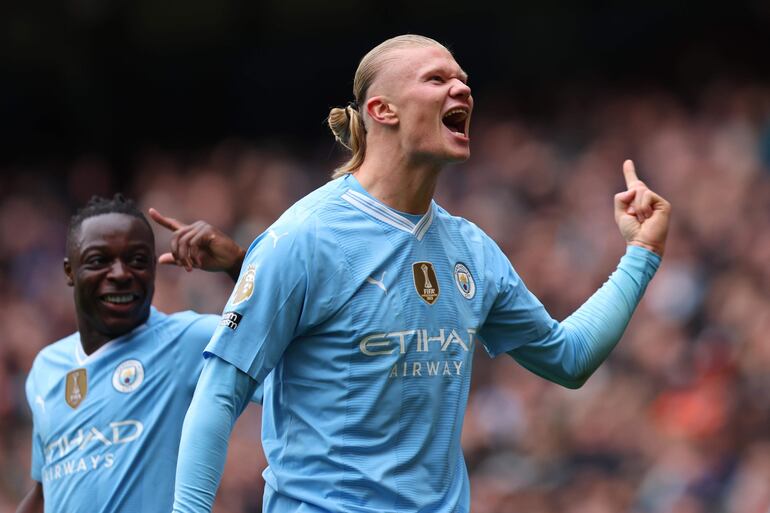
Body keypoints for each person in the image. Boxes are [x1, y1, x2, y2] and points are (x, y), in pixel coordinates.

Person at [171, 34, 671, 513]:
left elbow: (568, 358)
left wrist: (641, 253)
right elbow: (218, 394)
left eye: (463, 80)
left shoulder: (472, 250)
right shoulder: (302, 238)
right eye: (436, 79)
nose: (462, 89)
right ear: (381, 110)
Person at [17, 194, 253, 513]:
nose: (120, 273)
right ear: (70, 272)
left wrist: (238, 263)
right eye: (99, 260)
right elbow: (46, 493)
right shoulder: (45, 368)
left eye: (137, 260)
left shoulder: (188, 339)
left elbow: (277, 330)